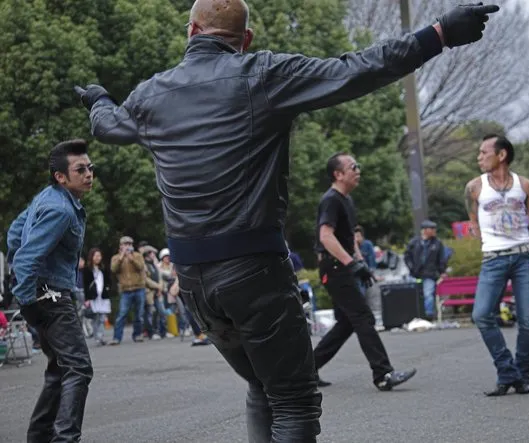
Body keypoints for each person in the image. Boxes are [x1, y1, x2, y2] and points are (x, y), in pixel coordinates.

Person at [74, 0, 499, 440]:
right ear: (247, 40)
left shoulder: (150, 94)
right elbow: (357, 70)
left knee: (262, 383)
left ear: (190, 32)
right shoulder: (263, 74)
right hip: (254, 272)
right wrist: (439, 34)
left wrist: (99, 99)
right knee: (293, 400)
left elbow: (110, 126)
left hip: (194, 282)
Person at [6, 139, 94, 442]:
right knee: (79, 369)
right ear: (61, 176)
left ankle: (39, 436)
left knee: (59, 369)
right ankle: (64, 439)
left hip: (44, 294)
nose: (88, 174)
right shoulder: (61, 210)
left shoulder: (48, 198)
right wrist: (28, 298)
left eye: (89, 167)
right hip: (52, 297)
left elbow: (15, 233)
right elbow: (27, 255)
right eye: (80, 169)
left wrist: (29, 292)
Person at [313, 153, 416, 390]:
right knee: (363, 317)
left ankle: (305, 371)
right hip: (334, 267)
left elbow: (349, 239)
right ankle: (383, 374)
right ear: (338, 174)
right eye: (353, 167)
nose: (358, 170)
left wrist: (361, 264)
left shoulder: (346, 200)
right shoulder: (331, 200)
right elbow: (325, 236)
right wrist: (351, 263)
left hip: (343, 266)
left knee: (348, 322)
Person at [464, 134, 529, 396]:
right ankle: (507, 370)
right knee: (481, 314)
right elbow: (472, 220)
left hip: (524, 256)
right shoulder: (474, 188)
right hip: (493, 259)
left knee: (528, 319)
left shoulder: (525, 185)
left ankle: (523, 373)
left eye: (483, 152)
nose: (479, 157)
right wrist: (481, 235)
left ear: (501, 155)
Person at [404, 220, 448, 320]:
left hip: (430, 274)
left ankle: (428, 315)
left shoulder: (437, 243)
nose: (434, 230)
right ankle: (412, 315)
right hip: (415, 273)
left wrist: (442, 271)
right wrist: (411, 268)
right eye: (431, 228)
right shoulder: (414, 242)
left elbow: (442, 259)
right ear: (424, 230)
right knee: (412, 294)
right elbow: (407, 256)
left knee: (428, 294)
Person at [83, 247, 113, 346]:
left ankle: (100, 337)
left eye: (99, 256)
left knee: (102, 317)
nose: (98, 258)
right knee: (96, 317)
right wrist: (87, 298)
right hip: (93, 297)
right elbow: (86, 285)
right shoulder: (87, 270)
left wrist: (108, 289)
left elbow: (109, 281)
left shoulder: (104, 268)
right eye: (96, 256)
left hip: (103, 296)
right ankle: (98, 337)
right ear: (91, 257)